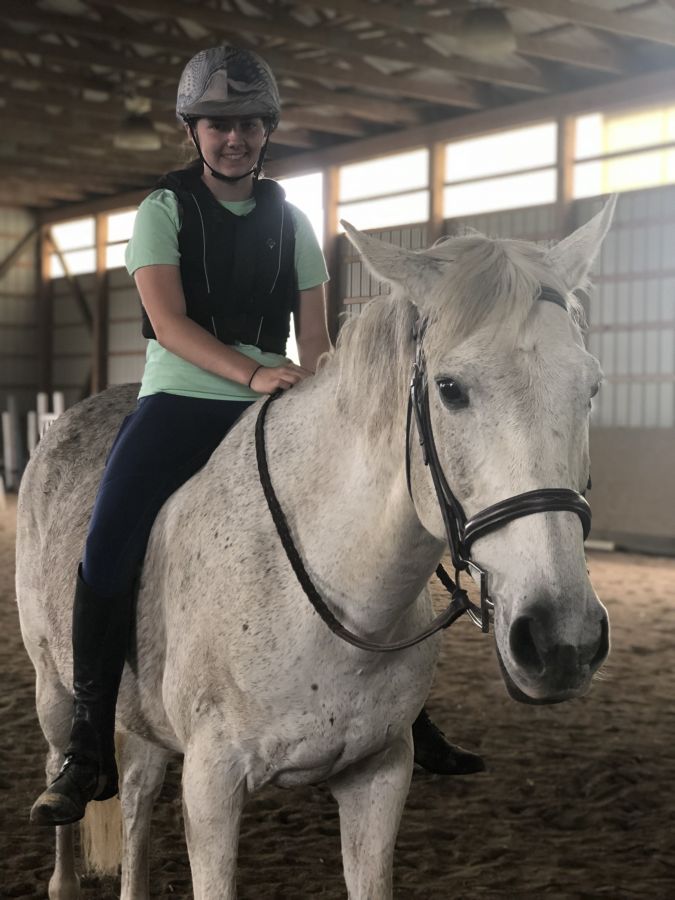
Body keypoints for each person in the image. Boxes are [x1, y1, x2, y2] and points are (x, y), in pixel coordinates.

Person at [30, 45, 483, 828]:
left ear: (266, 130)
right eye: (217, 125)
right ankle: (88, 740)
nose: (233, 138)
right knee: (105, 542)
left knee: (382, 512)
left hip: (276, 399)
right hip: (183, 400)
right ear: (192, 132)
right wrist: (249, 374)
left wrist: (326, 390)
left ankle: (401, 711)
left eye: (247, 124)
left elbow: (314, 338)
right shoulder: (162, 212)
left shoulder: (290, 219)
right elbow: (168, 324)